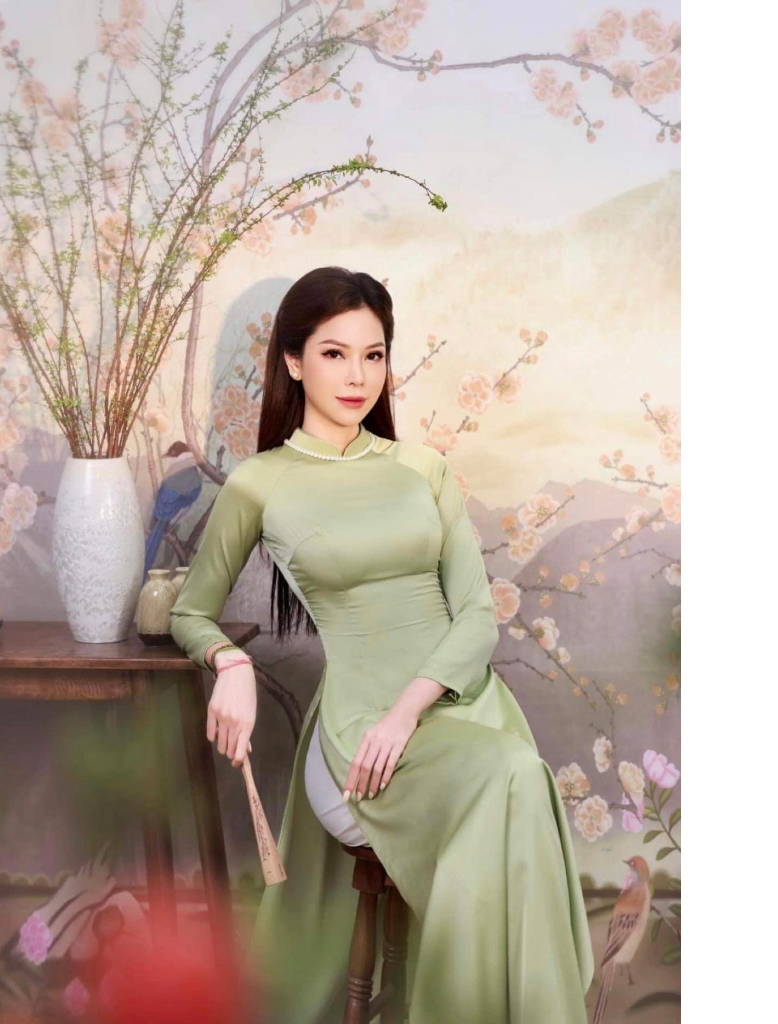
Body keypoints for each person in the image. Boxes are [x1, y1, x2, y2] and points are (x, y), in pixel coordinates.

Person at [169, 266, 595, 1024]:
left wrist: (409, 711)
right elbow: (190, 611)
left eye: (373, 355)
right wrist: (229, 661)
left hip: (461, 713)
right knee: (510, 777)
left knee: (513, 772)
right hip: (358, 738)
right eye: (334, 354)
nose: (358, 376)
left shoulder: (423, 469)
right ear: (293, 360)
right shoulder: (260, 483)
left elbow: (477, 617)